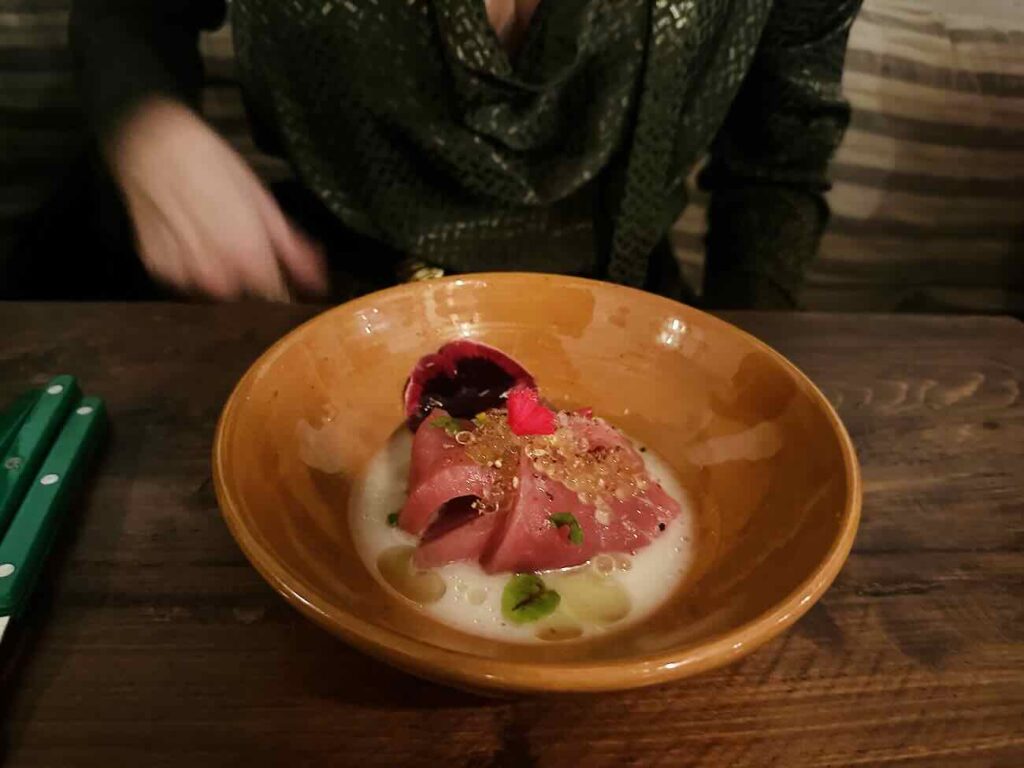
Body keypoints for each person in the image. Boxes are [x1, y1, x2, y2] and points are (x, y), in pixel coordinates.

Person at [64, 0, 862, 307]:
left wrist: (741, 385)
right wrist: (147, 123)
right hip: (313, 307)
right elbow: (128, 16)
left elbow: (779, 160)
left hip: (619, 331)